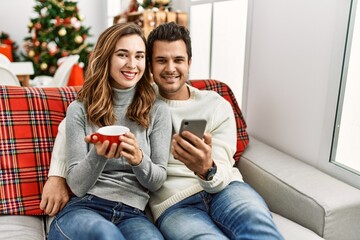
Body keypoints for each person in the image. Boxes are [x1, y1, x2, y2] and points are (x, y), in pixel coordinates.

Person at [42, 22, 284, 239]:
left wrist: (205, 168)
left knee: (257, 226)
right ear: (151, 66)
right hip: (164, 203)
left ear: (189, 62)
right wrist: (59, 173)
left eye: (178, 60)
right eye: (160, 60)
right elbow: (72, 128)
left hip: (216, 190)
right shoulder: (116, 102)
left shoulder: (203, 105)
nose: (170, 69)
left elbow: (213, 166)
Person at [46, 22, 172, 240]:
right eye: (123, 55)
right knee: (106, 235)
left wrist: (138, 160)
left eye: (140, 56)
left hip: (133, 212)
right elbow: (76, 185)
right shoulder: (79, 109)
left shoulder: (158, 110)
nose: (132, 64)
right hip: (85, 207)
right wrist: (98, 154)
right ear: (107, 57)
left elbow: (157, 180)